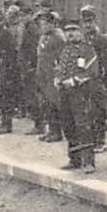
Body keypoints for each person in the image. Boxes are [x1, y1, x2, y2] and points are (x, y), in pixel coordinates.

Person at [54, 19, 100, 172]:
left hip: (80, 93)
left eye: (74, 30)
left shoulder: (87, 50)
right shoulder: (65, 50)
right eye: (67, 31)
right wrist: (57, 79)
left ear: (80, 32)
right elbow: (59, 68)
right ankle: (74, 158)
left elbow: (92, 72)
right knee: (68, 125)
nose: (70, 34)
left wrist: (73, 81)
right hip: (65, 93)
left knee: (83, 126)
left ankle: (88, 161)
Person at [79, 6, 107, 153]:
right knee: (86, 111)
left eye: (90, 22)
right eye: (85, 22)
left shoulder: (102, 41)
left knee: (98, 111)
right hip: (84, 81)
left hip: (97, 81)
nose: (87, 25)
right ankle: (90, 140)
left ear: (94, 22)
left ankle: (100, 141)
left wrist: (104, 83)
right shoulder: (81, 40)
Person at [35, 9, 65, 142]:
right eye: (42, 24)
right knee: (46, 103)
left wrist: (58, 75)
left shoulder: (58, 38)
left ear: (53, 24)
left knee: (54, 103)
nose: (43, 26)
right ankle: (50, 130)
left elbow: (61, 58)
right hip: (43, 74)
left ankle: (56, 132)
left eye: (46, 24)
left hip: (53, 75)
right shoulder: (43, 37)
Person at [0, 7, 21, 133]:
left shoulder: (5, 34)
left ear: (1, 20)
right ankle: (1, 121)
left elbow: (11, 53)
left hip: (6, 69)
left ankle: (7, 124)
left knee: (6, 98)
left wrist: (8, 69)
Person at [19, 8, 46, 134]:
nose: (22, 18)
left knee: (34, 96)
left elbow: (33, 49)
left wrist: (30, 65)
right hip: (28, 66)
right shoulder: (28, 28)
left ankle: (39, 124)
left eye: (24, 15)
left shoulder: (32, 29)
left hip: (31, 67)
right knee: (31, 96)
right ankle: (39, 123)